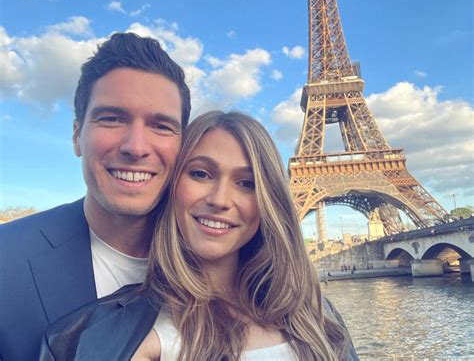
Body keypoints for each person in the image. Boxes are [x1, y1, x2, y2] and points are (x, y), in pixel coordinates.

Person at [41, 111, 358, 360]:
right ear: (172, 187)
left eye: (246, 183)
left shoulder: (316, 314)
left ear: (269, 202)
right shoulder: (124, 338)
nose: (220, 200)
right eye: (201, 174)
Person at [0, 32, 191, 361]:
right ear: (77, 136)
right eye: (112, 119)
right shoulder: (6, 260)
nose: (136, 147)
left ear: (183, 144)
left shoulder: (232, 267)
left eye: (161, 126)